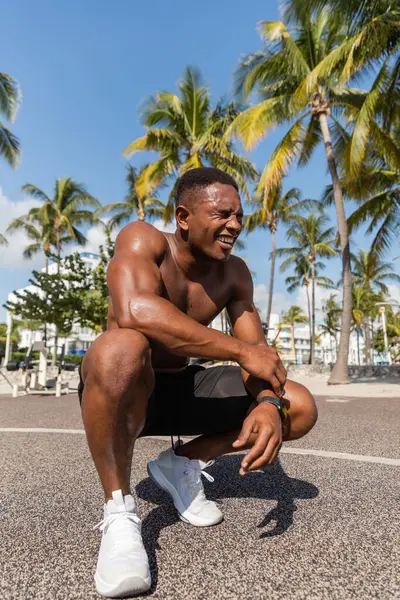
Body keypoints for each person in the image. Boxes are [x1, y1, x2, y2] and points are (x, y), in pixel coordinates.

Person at [79, 167, 318, 598]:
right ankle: (119, 511)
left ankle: (180, 462)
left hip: (185, 387)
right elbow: (135, 309)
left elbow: (257, 353)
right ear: (184, 217)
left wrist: (266, 401)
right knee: (119, 348)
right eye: (222, 213)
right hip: (130, 390)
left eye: (240, 216)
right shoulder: (143, 240)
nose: (235, 225)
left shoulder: (234, 274)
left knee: (296, 405)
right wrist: (240, 351)